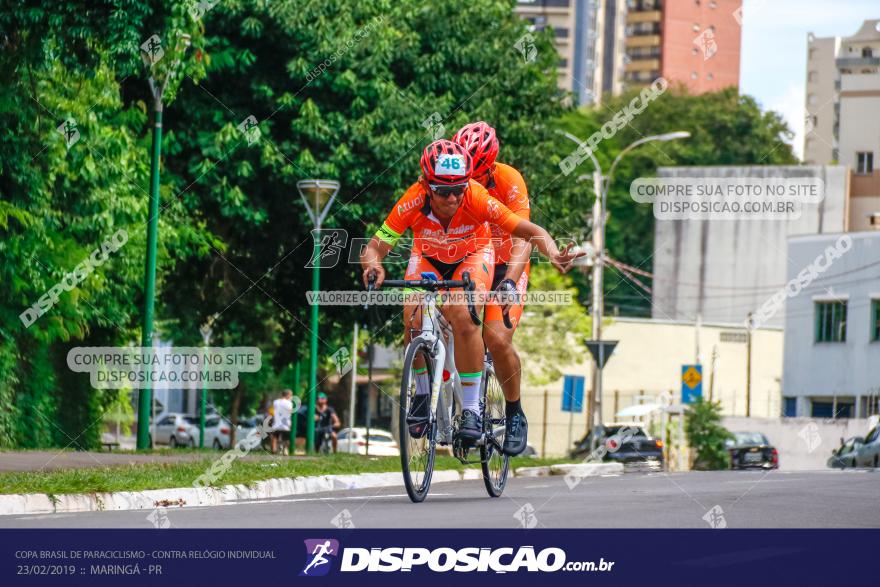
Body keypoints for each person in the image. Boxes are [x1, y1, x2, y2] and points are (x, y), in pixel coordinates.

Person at [360, 139, 580, 443]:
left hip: (473, 257)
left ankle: (473, 409)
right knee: (411, 316)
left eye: (458, 189)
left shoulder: (477, 197)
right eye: (442, 191)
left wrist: (553, 252)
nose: (451, 198)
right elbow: (374, 247)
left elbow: (530, 232)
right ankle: (422, 394)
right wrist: (374, 267)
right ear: (426, 184)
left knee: (465, 315)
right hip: (428, 257)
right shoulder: (412, 200)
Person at [453, 121, 530, 455]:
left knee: (496, 338)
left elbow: (524, 237)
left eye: (476, 176)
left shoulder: (509, 180)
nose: (467, 185)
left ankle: (514, 412)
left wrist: (511, 279)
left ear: (489, 168)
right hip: (470, 259)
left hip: (504, 264)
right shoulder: (449, 181)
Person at [271, 389, 294, 455]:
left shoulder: (275, 402)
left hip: (276, 423)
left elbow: (272, 411)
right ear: (288, 395)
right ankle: (285, 449)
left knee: (275, 437)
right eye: (291, 395)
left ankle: (274, 449)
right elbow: (291, 411)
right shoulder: (289, 403)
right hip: (286, 424)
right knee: (286, 438)